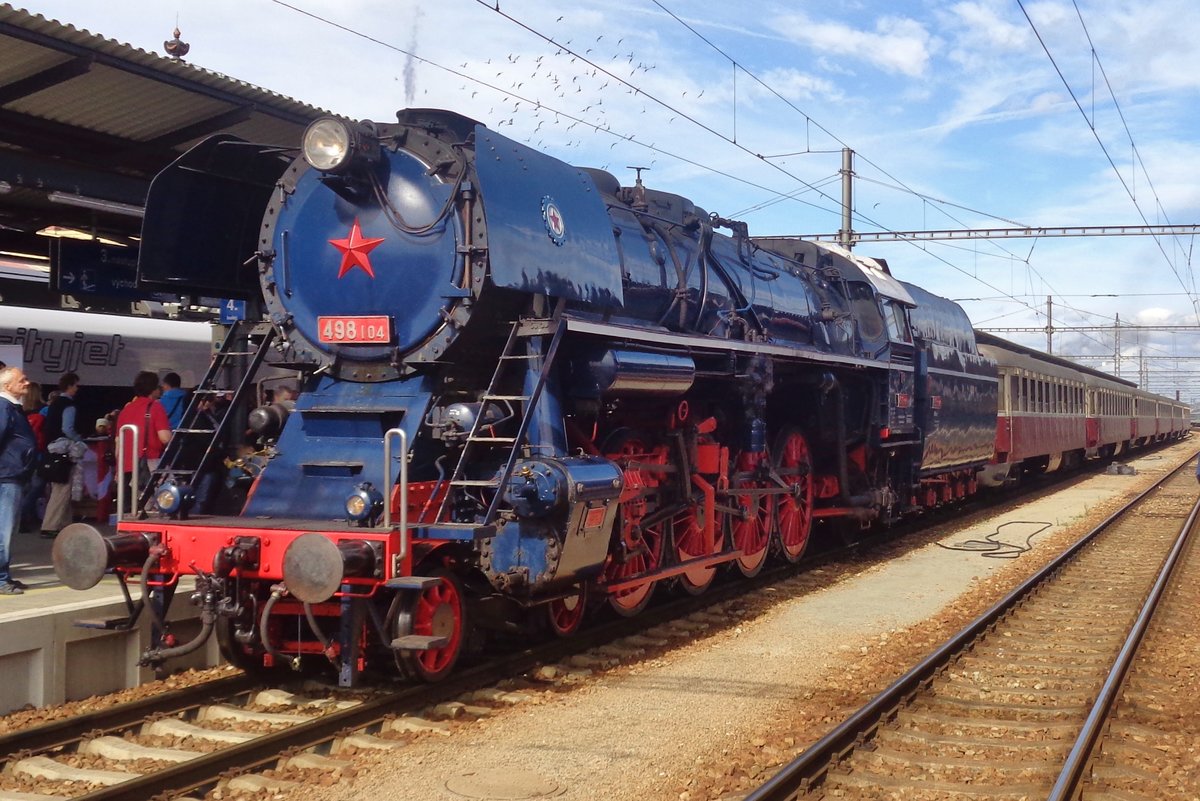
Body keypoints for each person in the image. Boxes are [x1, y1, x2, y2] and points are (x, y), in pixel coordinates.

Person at [0, 367, 37, 594]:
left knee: (6, 529)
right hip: (6, 477)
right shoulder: (4, 408)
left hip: (10, 475)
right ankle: (1, 578)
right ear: (7, 386)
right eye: (22, 380)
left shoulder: (10, 408)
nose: (27, 383)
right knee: (4, 530)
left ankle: (5, 576)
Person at [115, 371, 171, 511]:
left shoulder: (126, 410)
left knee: (133, 507)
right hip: (148, 462)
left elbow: (118, 442)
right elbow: (164, 437)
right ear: (153, 389)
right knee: (161, 500)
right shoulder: (155, 407)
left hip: (126, 465)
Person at [39, 373, 83, 539]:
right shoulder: (69, 406)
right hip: (64, 451)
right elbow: (68, 429)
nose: (77, 389)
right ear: (70, 386)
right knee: (62, 490)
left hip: (51, 450)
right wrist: (80, 441)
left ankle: (65, 524)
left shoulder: (54, 403)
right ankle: (50, 525)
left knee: (58, 489)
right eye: (76, 385)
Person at [19, 383, 46, 532]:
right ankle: (24, 515)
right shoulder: (44, 411)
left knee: (26, 487)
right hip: (39, 453)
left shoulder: (21, 412)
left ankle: (24, 516)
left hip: (23, 454)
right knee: (37, 486)